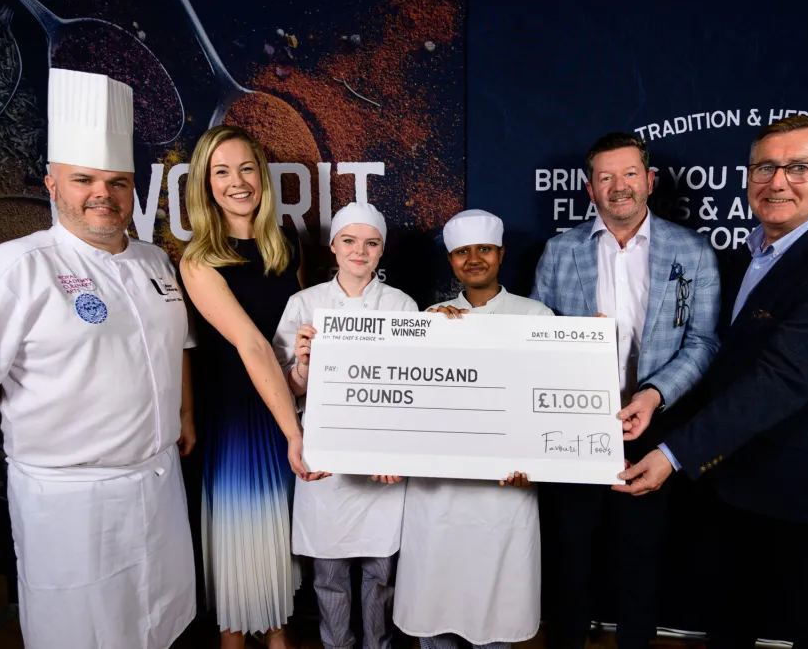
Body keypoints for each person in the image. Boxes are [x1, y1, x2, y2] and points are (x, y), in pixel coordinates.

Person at [0, 68, 196, 648]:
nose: (103, 194)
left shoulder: (154, 261)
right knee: (82, 632)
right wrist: (4, 393)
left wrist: (183, 414)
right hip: (73, 500)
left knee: (159, 623)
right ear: (51, 184)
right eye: (84, 179)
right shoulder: (13, 270)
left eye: (117, 182)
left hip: (156, 479)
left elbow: (175, 346)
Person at [616, 116, 808, 649]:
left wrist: (672, 454)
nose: (778, 181)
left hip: (806, 499)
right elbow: (721, 358)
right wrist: (653, 397)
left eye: (800, 167)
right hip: (733, 486)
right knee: (730, 623)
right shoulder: (749, 255)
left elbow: (779, 379)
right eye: (766, 166)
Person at [530, 133, 720, 649]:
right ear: (590, 190)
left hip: (653, 425)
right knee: (571, 555)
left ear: (650, 181)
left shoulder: (692, 251)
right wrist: (570, 346)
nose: (619, 187)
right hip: (573, 426)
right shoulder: (559, 251)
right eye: (606, 177)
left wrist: (653, 396)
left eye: (630, 174)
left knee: (642, 556)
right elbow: (535, 338)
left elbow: (703, 341)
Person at [180, 125, 315, 649]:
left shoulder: (285, 242)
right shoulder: (199, 260)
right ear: (204, 183)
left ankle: (278, 636)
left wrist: (303, 382)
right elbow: (253, 346)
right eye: (221, 171)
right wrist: (293, 433)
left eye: (246, 169)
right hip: (239, 418)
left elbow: (292, 338)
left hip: (282, 407)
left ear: (261, 176)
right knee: (241, 545)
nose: (236, 182)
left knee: (275, 542)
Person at [393, 208, 550, 649]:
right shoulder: (431, 318)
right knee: (435, 603)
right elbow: (412, 407)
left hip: (505, 490)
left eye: (484, 249)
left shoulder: (536, 316)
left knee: (495, 610)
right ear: (451, 260)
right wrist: (432, 334)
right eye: (463, 252)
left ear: (501, 254)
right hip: (438, 493)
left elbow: (546, 404)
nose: (474, 259)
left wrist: (533, 462)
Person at [273, 201, 417, 649]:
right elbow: (288, 391)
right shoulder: (304, 303)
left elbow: (414, 390)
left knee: (380, 572)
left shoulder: (402, 305)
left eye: (371, 243)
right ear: (333, 246)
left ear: (381, 251)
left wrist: (398, 452)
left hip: (381, 457)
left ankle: (379, 644)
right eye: (350, 241)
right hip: (325, 452)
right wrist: (301, 363)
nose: (360, 251)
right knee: (329, 573)